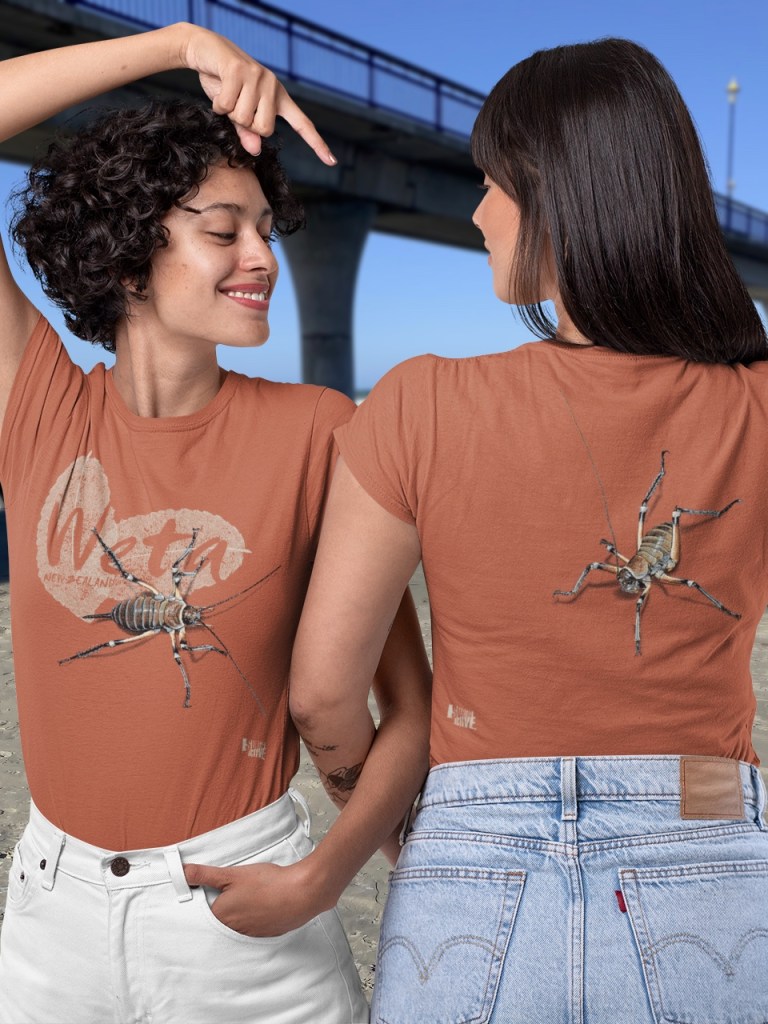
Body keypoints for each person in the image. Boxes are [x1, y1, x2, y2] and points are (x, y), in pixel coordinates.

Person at [289, 37, 768, 1023]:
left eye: (492, 183)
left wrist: (412, 826)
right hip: (707, 816)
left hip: (473, 838)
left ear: (557, 194)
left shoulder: (418, 403)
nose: (476, 212)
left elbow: (323, 694)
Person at [0, 22, 431, 1024]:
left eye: (268, 230)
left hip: (247, 917)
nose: (263, 258)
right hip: (50, 921)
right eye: (224, 230)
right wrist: (179, 42)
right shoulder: (37, 405)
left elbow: (408, 706)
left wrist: (326, 875)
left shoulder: (321, 430)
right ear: (128, 257)